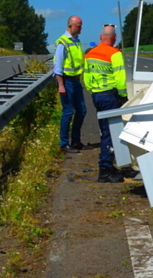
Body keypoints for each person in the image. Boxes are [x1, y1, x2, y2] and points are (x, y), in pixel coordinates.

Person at [84, 25, 131, 183]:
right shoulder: (115, 54)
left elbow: (86, 77)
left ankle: (114, 164)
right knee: (111, 132)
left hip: (97, 95)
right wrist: (124, 96)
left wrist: (93, 92)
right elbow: (120, 77)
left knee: (106, 130)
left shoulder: (90, 54)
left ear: (100, 37)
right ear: (115, 38)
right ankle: (105, 168)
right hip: (110, 96)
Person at [54, 16, 86, 153]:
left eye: (81, 25)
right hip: (66, 81)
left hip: (75, 80)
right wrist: (60, 85)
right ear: (70, 26)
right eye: (78, 26)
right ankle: (64, 144)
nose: (80, 28)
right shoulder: (63, 43)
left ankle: (76, 141)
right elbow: (58, 67)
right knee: (68, 112)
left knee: (82, 110)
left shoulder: (76, 41)